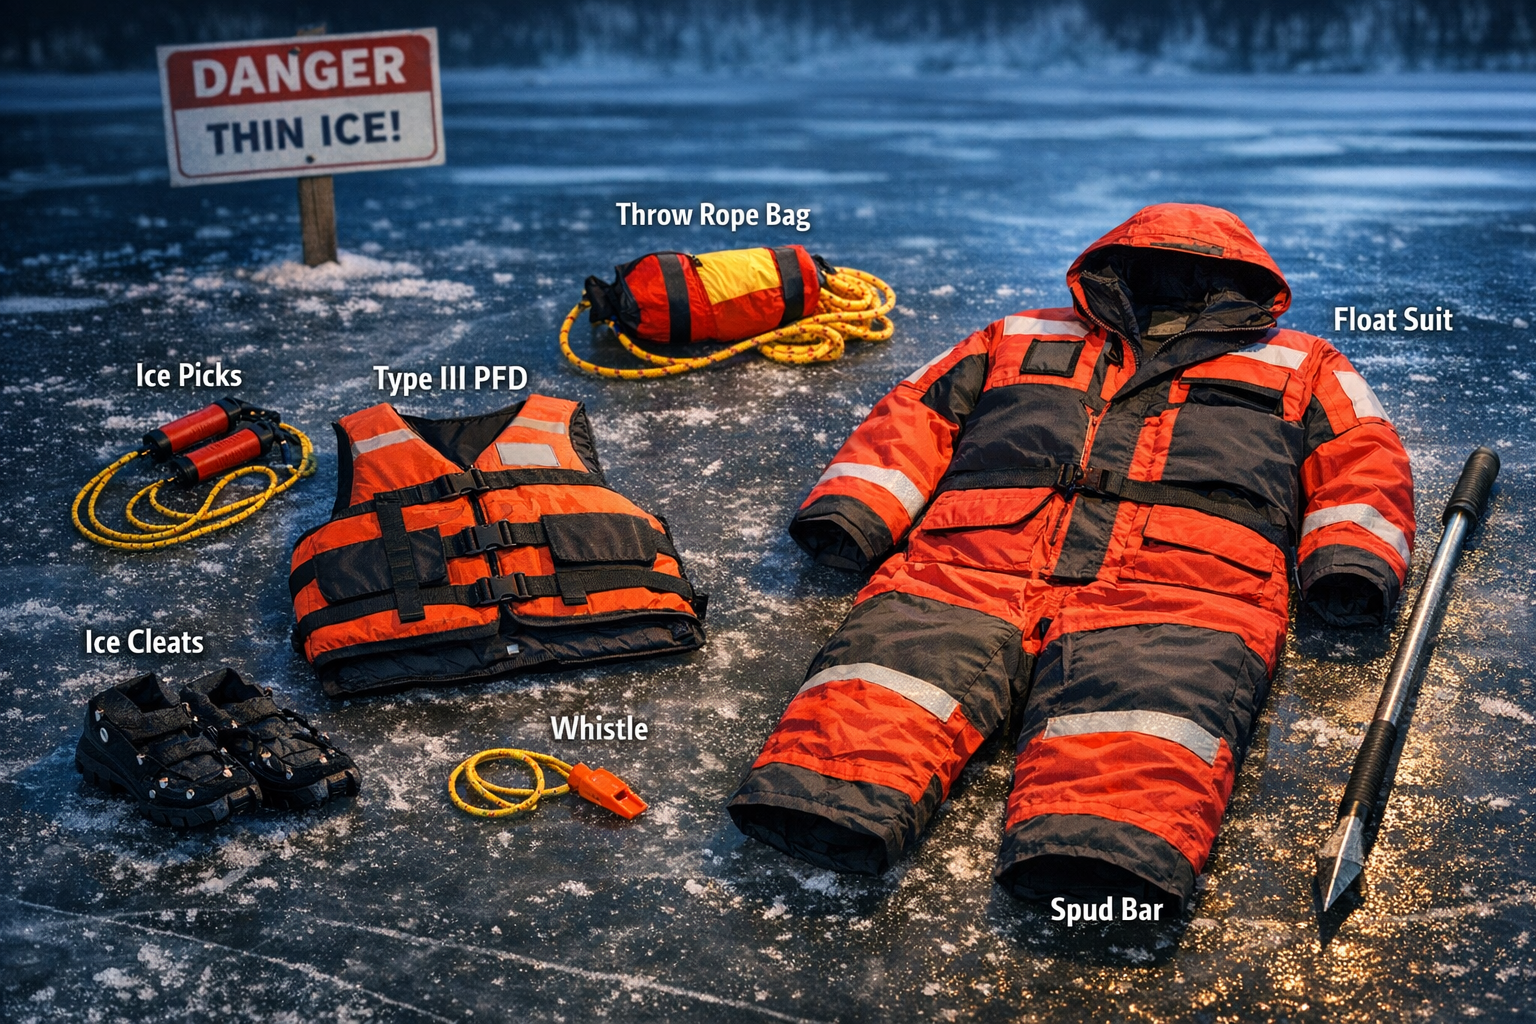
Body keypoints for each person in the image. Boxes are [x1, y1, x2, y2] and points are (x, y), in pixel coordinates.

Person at [729, 203, 1414, 906]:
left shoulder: (1302, 363)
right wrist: (856, 511)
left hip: (1183, 593)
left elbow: (1362, 457)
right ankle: (822, 806)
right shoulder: (1017, 335)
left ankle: (1097, 865)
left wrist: (1352, 561)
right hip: (968, 567)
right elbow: (917, 414)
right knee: (863, 720)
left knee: (1127, 779)